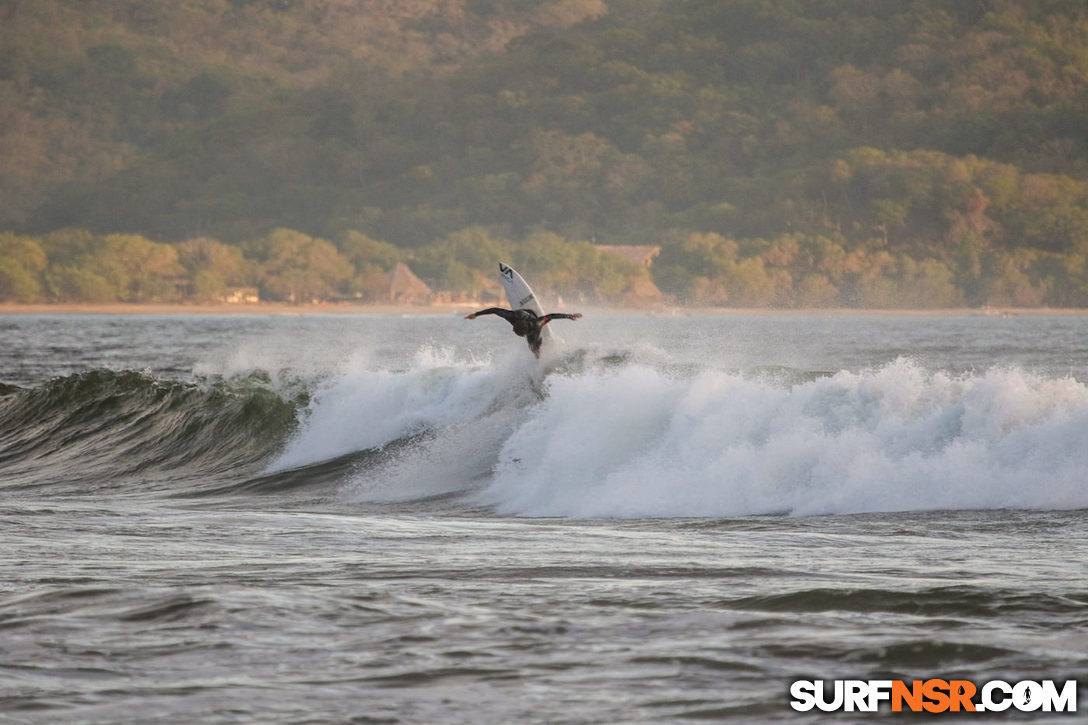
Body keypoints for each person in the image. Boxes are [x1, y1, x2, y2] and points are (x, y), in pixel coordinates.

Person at [465, 307, 582, 356]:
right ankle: (538, 356)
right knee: (533, 348)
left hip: (533, 322)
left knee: (534, 345)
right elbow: (494, 310)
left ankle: (539, 350)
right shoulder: (511, 317)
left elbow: (551, 316)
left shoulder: (538, 323)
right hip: (521, 314)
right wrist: (476, 314)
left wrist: (570, 316)